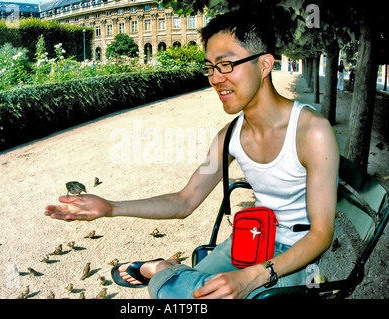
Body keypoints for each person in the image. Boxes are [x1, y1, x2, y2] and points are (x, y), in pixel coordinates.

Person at [44, 11, 339, 299]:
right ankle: (167, 272)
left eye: (225, 65)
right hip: (251, 237)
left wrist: (253, 276)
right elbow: (185, 200)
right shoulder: (228, 137)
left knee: (184, 292)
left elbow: (322, 234)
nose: (214, 79)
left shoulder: (312, 132)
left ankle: (161, 270)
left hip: (297, 255)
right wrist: (110, 207)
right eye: (209, 67)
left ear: (264, 65)